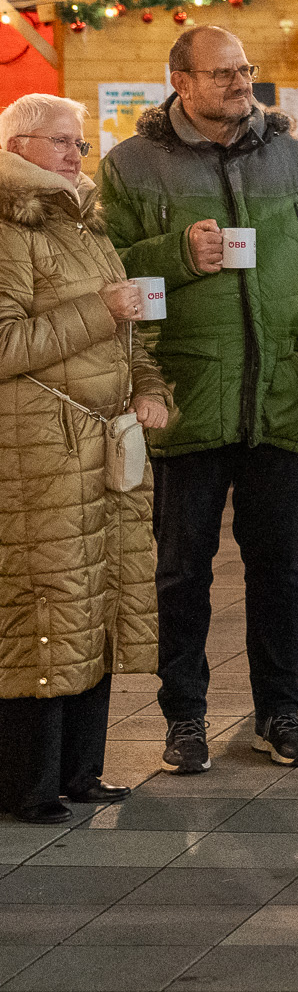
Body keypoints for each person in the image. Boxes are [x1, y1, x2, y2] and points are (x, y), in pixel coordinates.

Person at [100, 25, 298, 772]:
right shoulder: (131, 167)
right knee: (182, 572)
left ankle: (279, 712)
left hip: (282, 397)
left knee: (280, 568)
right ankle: (184, 717)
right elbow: (107, 274)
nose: (240, 82)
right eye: (222, 73)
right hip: (186, 399)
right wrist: (177, 255)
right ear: (180, 82)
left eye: (244, 69)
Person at [0, 95, 168, 824]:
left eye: (80, 142)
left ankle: (80, 770)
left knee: (98, 601)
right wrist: (100, 309)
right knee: (46, 605)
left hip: (101, 443)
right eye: (62, 141)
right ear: (18, 146)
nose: (77, 154)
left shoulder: (83, 221)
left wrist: (150, 389)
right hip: (37, 450)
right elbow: (5, 343)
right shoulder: (9, 227)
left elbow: (131, 328)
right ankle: (28, 782)